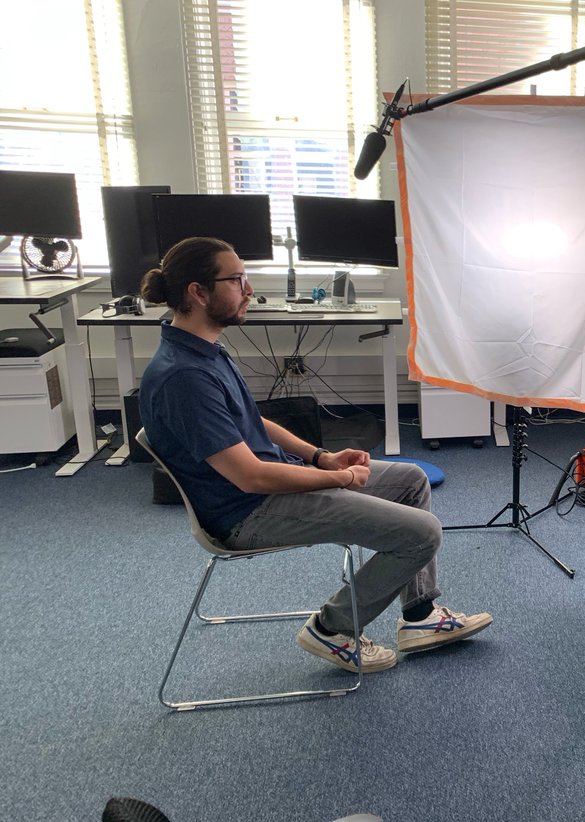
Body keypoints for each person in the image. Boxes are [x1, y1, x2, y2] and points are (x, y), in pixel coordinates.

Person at [138, 236, 491, 674]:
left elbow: (252, 420)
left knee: (411, 481)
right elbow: (251, 477)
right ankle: (333, 628)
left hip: (271, 483)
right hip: (247, 511)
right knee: (422, 533)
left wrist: (321, 457)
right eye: (237, 279)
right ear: (197, 291)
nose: (248, 289)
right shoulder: (183, 377)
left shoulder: (203, 350)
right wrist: (338, 480)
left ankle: (419, 616)